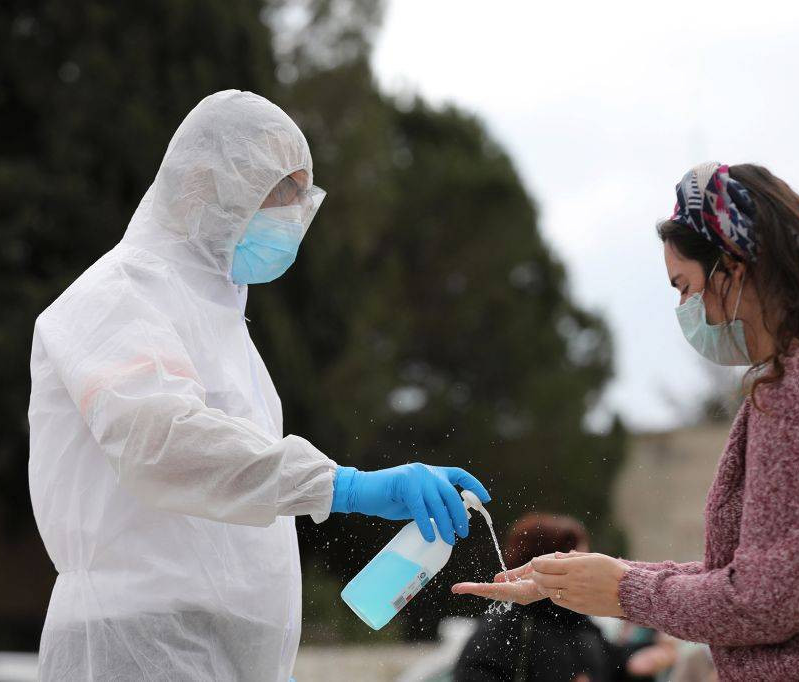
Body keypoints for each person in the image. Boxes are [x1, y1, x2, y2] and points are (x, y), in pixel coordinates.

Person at [28, 90, 490, 681]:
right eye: (278, 194)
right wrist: (343, 486)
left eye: (302, 197)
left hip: (227, 652)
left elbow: (238, 504)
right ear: (201, 184)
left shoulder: (225, 329)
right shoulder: (112, 298)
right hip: (141, 644)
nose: (293, 216)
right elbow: (164, 445)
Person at [454, 162, 799, 680]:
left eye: (684, 286)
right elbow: (757, 581)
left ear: (734, 268)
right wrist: (593, 578)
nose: (685, 308)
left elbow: (764, 602)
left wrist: (623, 590)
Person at [454, 513, 674, 682]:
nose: (590, 571)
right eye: (579, 561)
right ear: (546, 562)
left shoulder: (579, 623)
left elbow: (613, 663)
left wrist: (641, 660)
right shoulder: (507, 629)